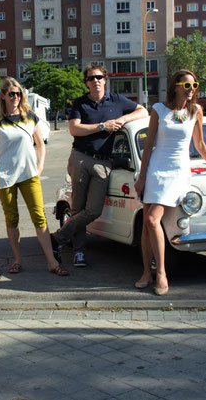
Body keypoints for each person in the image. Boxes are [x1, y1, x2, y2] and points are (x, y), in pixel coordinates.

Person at [134, 69, 206, 296]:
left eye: (194, 85)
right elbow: (149, 145)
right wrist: (142, 177)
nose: (191, 90)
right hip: (155, 171)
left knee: (153, 220)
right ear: (175, 87)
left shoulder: (196, 111)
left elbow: (200, 145)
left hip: (177, 172)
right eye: (186, 85)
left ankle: (161, 273)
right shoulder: (158, 110)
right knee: (146, 225)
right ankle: (145, 273)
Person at [51, 63, 148, 268]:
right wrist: (103, 126)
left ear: (105, 79)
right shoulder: (80, 103)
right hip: (80, 157)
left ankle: (58, 236)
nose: (95, 81)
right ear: (86, 82)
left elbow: (142, 111)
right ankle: (79, 252)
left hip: (104, 162)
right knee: (77, 207)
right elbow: (74, 129)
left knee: (94, 209)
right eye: (90, 78)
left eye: (98, 77)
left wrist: (121, 119)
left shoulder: (116, 101)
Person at [0, 77, 68, 276]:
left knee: (40, 217)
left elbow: (41, 144)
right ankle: (18, 260)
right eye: (11, 94)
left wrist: (39, 167)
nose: (15, 97)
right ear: (3, 95)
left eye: (18, 93)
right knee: (11, 219)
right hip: (5, 176)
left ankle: (51, 262)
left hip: (29, 174)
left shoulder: (29, 116)